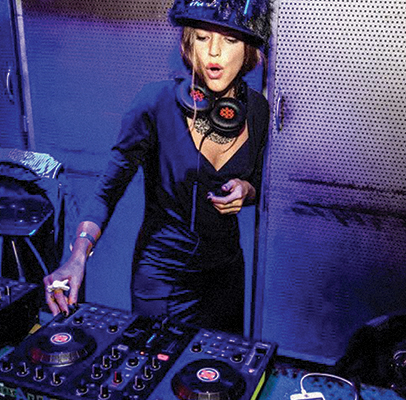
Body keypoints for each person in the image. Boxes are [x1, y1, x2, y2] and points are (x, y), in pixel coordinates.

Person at [44, 0, 271, 333]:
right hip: (163, 279)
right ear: (188, 45)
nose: (214, 52)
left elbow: (258, 185)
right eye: (202, 38)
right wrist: (77, 257)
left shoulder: (258, 110)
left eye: (230, 40)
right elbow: (107, 191)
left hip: (226, 277)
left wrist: (246, 190)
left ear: (248, 50)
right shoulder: (155, 103)